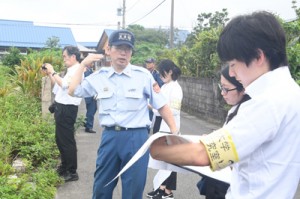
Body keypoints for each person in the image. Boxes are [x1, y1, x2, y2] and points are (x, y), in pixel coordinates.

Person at [149, 11, 300, 199]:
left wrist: (153, 150)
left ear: (259, 57)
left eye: (234, 64)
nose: (232, 73)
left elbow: (205, 154)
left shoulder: (268, 101)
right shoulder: (291, 92)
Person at [68, 30, 178, 199]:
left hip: (137, 139)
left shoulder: (143, 76)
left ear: (131, 52)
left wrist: (174, 130)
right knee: (101, 188)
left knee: (133, 190)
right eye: (119, 48)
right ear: (108, 50)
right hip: (110, 138)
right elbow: (73, 91)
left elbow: (161, 105)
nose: (123, 52)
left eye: (128, 49)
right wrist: (82, 65)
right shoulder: (99, 77)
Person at [197, 65, 250, 199]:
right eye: (222, 88)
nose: (222, 93)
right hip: (222, 181)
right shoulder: (235, 109)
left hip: (229, 183)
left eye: (226, 89)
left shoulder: (248, 115)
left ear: (243, 88)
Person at [42, 46, 83, 182]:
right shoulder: (70, 70)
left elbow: (65, 85)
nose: (63, 59)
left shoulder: (77, 70)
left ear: (73, 57)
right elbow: (59, 86)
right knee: (60, 140)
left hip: (67, 108)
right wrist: (49, 74)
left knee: (66, 141)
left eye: (65, 56)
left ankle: (72, 171)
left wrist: (53, 72)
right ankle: (65, 166)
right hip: (62, 107)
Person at [147, 59, 183, 199]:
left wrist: (155, 108)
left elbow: (173, 110)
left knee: (170, 161)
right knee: (165, 160)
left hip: (170, 127)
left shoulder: (176, 88)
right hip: (162, 126)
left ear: (170, 72)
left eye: (163, 74)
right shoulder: (167, 86)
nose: (161, 77)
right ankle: (164, 189)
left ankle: (165, 190)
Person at [145, 58, 164, 122]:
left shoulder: (156, 74)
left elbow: (160, 86)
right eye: (147, 63)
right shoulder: (145, 73)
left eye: (150, 63)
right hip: (145, 96)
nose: (148, 64)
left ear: (153, 64)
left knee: (150, 114)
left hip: (153, 96)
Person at [83, 65, 97, 133]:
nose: (93, 63)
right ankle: (89, 126)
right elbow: (89, 82)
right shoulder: (86, 70)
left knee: (92, 109)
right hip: (89, 93)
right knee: (91, 110)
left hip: (90, 93)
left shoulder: (89, 69)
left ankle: (86, 122)